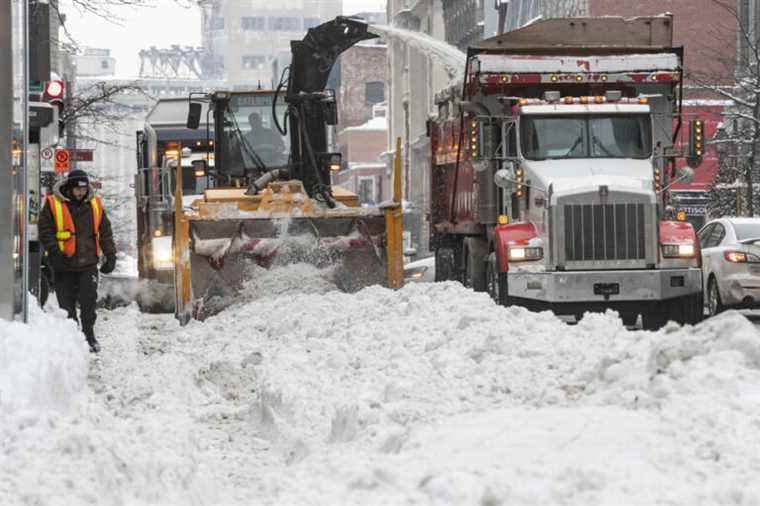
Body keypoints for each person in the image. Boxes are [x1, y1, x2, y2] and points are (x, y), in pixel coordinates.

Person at [38, 169, 117, 353]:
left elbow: (105, 232)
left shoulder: (95, 204)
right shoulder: (53, 204)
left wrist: (110, 255)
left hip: (88, 264)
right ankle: (73, 338)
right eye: (77, 189)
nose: (81, 193)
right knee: (66, 305)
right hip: (63, 264)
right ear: (69, 188)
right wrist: (55, 252)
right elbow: (45, 231)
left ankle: (89, 336)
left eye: (84, 189)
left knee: (89, 302)